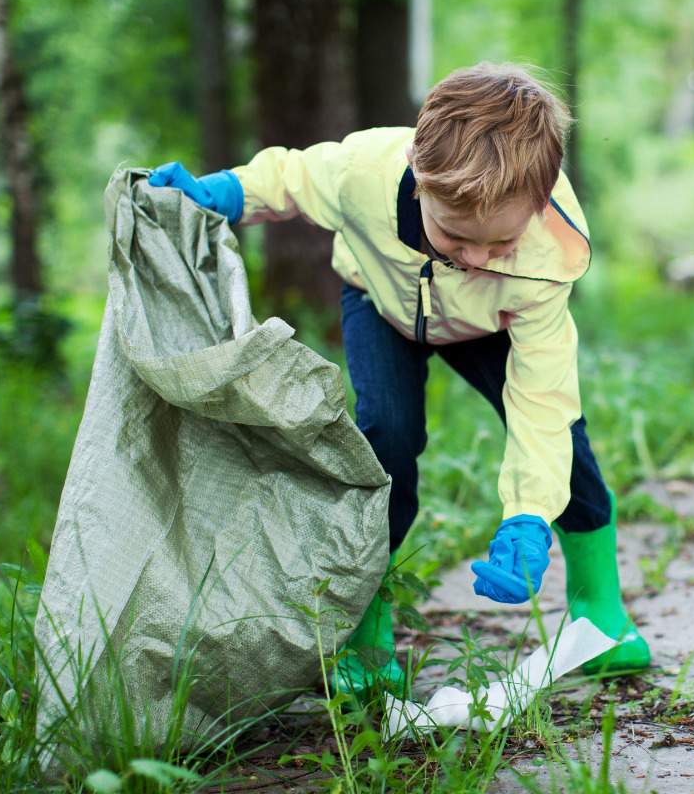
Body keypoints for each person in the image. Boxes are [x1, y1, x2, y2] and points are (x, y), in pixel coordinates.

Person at [148, 62, 649, 699]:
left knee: (566, 442)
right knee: (386, 434)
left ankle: (600, 614)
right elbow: (294, 177)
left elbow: (542, 406)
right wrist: (226, 192)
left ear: (542, 198)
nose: (473, 258)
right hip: (381, 304)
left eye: (499, 244)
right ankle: (367, 633)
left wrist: (527, 516)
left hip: (489, 321)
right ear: (418, 179)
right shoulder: (365, 172)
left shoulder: (545, 259)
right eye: (456, 236)